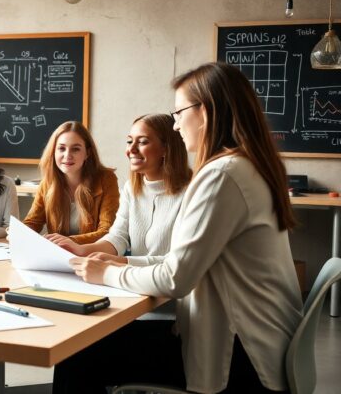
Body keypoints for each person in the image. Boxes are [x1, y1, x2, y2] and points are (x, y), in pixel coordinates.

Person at [57, 62, 303, 393]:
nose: (175, 125)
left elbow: (175, 277)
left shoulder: (221, 176)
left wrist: (105, 274)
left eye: (179, 112)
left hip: (240, 357)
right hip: (258, 341)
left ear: (207, 111)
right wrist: (121, 262)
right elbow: (182, 260)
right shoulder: (245, 166)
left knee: (76, 353)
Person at [52, 114, 191, 263]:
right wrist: (79, 249)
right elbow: (118, 236)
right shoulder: (131, 188)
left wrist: (122, 262)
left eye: (143, 142)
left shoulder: (191, 191)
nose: (131, 149)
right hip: (133, 281)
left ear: (166, 148)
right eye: (129, 141)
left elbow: (180, 262)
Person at [23, 121, 119, 245]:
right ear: (53, 152)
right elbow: (33, 222)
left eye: (75, 149)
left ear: (87, 153)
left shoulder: (106, 179)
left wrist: (70, 241)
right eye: (61, 148)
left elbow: (108, 231)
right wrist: (19, 232)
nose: (67, 155)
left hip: (92, 256)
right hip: (58, 256)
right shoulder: (48, 182)